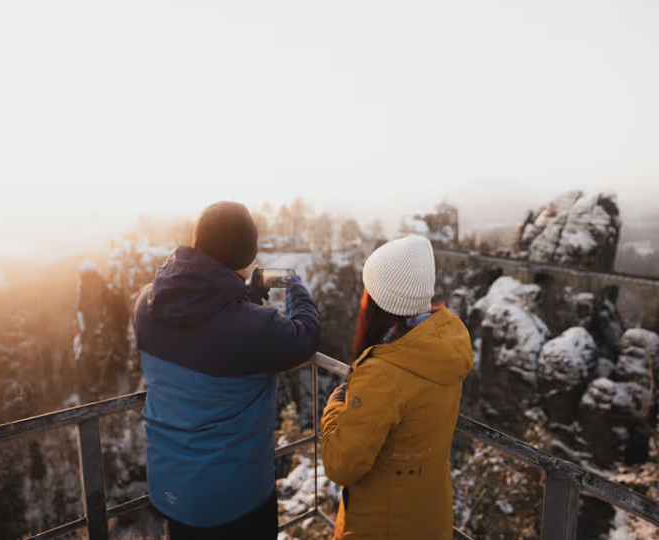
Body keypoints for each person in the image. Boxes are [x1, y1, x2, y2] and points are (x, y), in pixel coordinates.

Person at [132, 201, 321, 540]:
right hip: (235, 503)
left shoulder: (145, 305)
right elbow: (305, 334)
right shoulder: (253, 329)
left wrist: (243, 300)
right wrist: (296, 288)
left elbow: (203, 327)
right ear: (248, 254)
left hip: (173, 492)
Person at [321, 235, 473, 540]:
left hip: (382, 525)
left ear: (379, 301)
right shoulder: (445, 341)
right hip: (429, 517)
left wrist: (335, 407)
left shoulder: (384, 372)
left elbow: (341, 465)